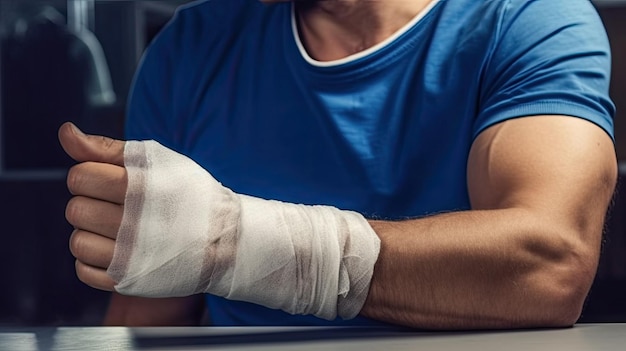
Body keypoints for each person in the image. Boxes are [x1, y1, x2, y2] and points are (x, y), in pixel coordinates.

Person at [58, 0, 617, 329]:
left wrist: (230, 244)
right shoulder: (191, 47)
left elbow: (549, 265)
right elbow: (152, 304)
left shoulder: (527, 20)